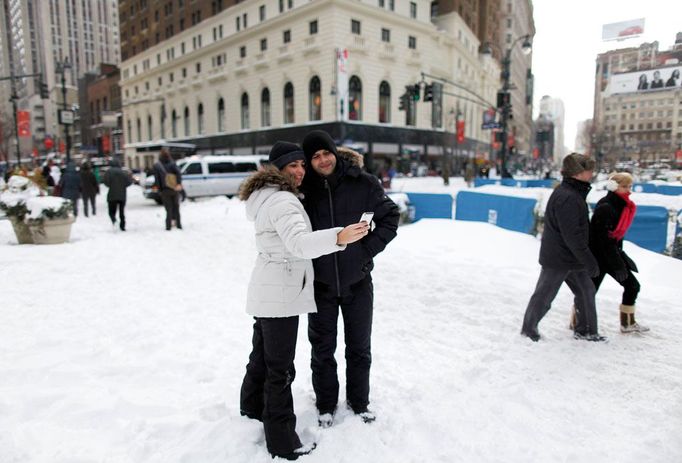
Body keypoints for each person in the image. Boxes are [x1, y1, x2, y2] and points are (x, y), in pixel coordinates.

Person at [239, 141, 368, 460]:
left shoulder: (265, 194)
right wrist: (338, 237)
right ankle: (283, 441)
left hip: (267, 286)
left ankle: (251, 408)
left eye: (301, 164)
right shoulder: (283, 201)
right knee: (279, 369)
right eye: (291, 166)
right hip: (281, 292)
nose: (299, 170)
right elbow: (298, 243)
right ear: (276, 169)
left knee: (262, 357)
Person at [300, 130, 400, 427]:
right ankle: (326, 405)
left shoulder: (363, 182)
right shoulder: (304, 191)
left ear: (334, 152)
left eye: (326, 153)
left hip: (358, 283)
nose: (322, 160)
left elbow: (390, 218)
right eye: (315, 156)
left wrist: (364, 251)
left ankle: (359, 402)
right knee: (322, 350)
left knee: (359, 348)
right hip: (321, 286)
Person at [521, 153, 606, 342]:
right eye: (588, 169)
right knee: (544, 296)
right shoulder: (568, 197)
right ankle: (528, 329)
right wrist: (589, 260)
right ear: (578, 173)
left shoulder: (573, 193)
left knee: (586, 291)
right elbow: (572, 236)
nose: (592, 173)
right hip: (559, 258)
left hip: (572, 258)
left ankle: (586, 330)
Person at [589, 172, 649, 333]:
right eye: (624, 186)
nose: (628, 190)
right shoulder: (606, 207)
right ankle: (579, 321)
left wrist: (620, 257)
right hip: (600, 258)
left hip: (611, 254)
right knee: (589, 292)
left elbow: (614, 238)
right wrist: (618, 265)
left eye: (630, 186)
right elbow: (603, 240)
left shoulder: (622, 206)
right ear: (613, 187)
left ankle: (627, 323)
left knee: (632, 286)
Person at [153, 149, 183, 230]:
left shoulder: (157, 165)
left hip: (165, 190)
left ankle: (168, 226)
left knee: (168, 208)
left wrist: (159, 189)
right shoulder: (172, 163)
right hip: (174, 188)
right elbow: (178, 173)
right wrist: (178, 183)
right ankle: (179, 225)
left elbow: (157, 179)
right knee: (176, 207)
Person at [103, 159, 132, 231]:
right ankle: (122, 226)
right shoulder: (123, 172)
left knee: (111, 211)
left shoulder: (109, 172)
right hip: (122, 194)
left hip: (112, 194)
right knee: (122, 211)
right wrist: (122, 185)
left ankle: (114, 220)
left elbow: (106, 182)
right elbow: (129, 182)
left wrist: (111, 185)